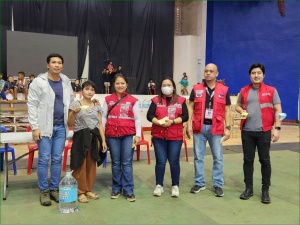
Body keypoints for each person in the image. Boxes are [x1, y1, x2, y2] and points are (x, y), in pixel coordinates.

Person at [27, 53, 74, 206]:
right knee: (43, 159)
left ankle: (54, 188)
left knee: (57, 159)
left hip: (61, 127)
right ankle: (44, 191)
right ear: (48, 65)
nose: (56, 65)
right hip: (44, 128)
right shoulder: (38, 82)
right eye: (53, 62)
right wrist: (35, 127)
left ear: (62, 65)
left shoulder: (66, 81)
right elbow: (32, 105)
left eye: (59, 62)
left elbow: (71, 101)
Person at [235, 63, 282, 204]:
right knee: (248, 161)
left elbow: (278, 110)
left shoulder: (272, 91)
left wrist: (277, 128)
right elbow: (238, 105)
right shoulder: (244, 90)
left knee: (265, 161)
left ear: (263, 75)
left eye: (259, 73)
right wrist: (240, 110)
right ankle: (248, 188)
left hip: (265, 131)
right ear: (250, 75)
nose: (256, 75)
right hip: (247, 132)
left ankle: (265, 190)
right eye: (253, 73)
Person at [187, 63, 231, 197]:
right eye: (206, 71)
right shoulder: (196, 89)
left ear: (216, 74)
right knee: (198, 157)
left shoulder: (224, 90)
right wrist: (188, 124)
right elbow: (190, 107)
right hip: (198, 128)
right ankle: (199, 182)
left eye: (211, 71)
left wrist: (228, 128)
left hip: (216, 128)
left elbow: (227, 110)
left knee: (218, 158)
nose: (208, 73)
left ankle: (217, 184)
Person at [102, 74, 141, 202]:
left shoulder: (133, 100)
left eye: (122, 83)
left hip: (128, 135)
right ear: (114, 84)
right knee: (115, 163)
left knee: (127, 163)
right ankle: (116, 189)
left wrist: (138, 134)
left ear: (126, 84)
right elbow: (103, 118)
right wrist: (102, 135)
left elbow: (137, 118)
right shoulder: (108, 99)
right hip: (112, 135)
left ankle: (129, 191)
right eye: (117, 83)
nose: (120, 85)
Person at [146, 77, 188, 197]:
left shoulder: (181, 100)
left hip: (175, 136)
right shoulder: (155, 100)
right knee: (160, 162)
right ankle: (159, 185)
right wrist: (158, 122)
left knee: (174, 162)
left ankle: (175, 186)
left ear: (173, 87)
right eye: (164, 85)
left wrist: (173, 122)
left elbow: (185, 116)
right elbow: (149, 115)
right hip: (159, 136)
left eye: (169, 85)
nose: (166, 87)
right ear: (160, 87)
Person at [68, 80, 107, 203]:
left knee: (92, 164)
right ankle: (80, 192)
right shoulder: (75, 104)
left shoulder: (97, 106)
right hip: (80, 137)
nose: (89, 92)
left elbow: (100, 124)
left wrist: (104, 141)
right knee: (80, 165)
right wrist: (74, 113)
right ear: (82, 90)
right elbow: (69, 123)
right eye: (87, 89)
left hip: (94, 138)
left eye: (92, 90)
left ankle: (89, 189)